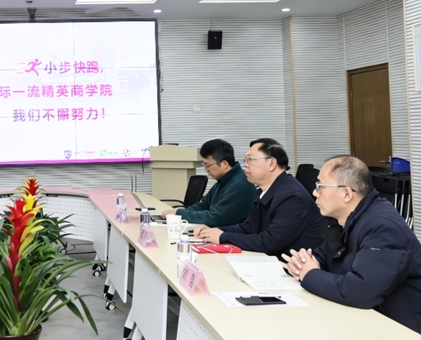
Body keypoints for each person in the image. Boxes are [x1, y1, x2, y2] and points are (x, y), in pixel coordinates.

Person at [284, 156, 421, 334]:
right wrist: (303, 263)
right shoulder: (344, 220)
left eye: (320, 186)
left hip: (399, 330)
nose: (314, 193)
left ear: (347, 194)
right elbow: (322, 258)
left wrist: (309, 274)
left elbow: (361, 291)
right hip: (359, 321)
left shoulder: (382, 227)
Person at [195, 138, 325, 257]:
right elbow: (249, 227)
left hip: (292, 268)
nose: (245, 165)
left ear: (271, 163)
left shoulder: (292, 197)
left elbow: (269, 243)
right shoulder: (265, 191)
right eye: (245, 160)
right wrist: (215, 231)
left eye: (250, 160)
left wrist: (223, 237)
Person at [161, 139, 256, 226]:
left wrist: (181, 214)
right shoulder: (224, 180)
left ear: (224, 164)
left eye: (207, 165)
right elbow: (205, 205)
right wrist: (179, 212)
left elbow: (216, 218)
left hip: (232, 236)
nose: (206, 169)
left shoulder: (239, 185)